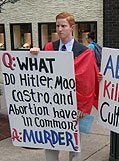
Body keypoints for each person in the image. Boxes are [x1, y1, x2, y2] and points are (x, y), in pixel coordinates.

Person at [30, 11, 99, 161]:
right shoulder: (49, 48)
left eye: (63, 26)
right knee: (51, 144)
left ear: (72, 27)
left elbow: (87, 83)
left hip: (74, 107)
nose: (60, 29)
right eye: (57, 26)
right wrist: (33, 55)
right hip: (51, 106)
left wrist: (83, 107)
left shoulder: (85, 52)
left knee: (74, 146)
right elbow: (38, 74)